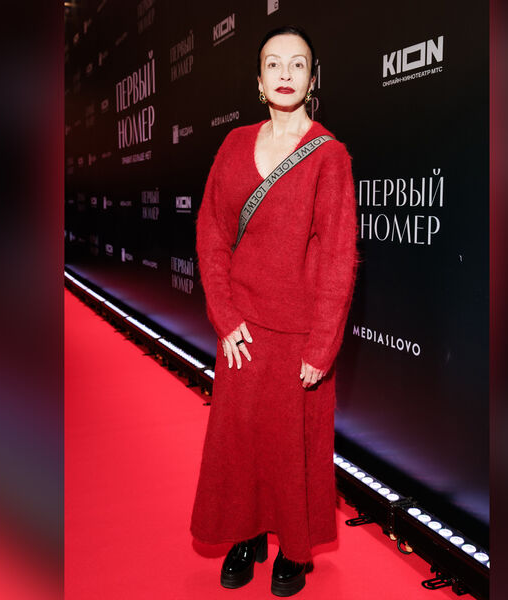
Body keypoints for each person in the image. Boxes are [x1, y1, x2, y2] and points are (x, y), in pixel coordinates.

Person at [190, 25, 358, 597]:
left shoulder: (329, 155)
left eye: (297, 64)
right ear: (258, 81)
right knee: (238, 441)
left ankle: (293, 546)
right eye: (273, 64)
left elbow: (338, 255)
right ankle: (245, 535)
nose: (285, 73)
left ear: (313, 78)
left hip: (298, 333)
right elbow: (211, 232)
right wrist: (224, 313)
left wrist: (322, 345)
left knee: (293, 450)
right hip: (242, 328)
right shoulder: (234, 144)